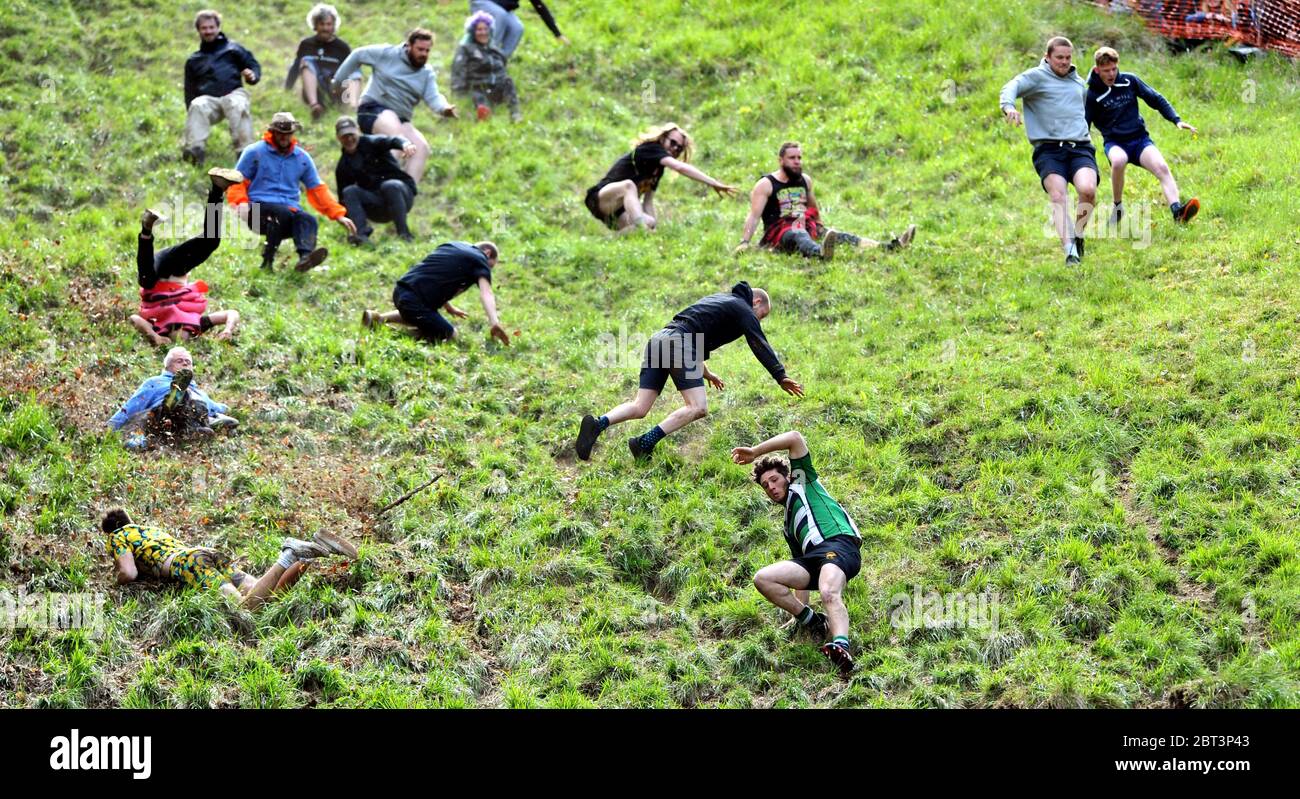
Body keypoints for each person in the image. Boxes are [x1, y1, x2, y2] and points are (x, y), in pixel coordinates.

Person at [575, 282, 803, 461]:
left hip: (660, 339)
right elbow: (757, 341)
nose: (757, 320)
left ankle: (598, 424)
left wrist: (707, 373)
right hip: (679, 343)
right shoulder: (742, 307)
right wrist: (779, 375)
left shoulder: (720, 300)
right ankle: (644, 443)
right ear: (756, 301)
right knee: (698, 407)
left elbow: (694, 335)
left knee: (640, 406)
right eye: (761, 315)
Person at [730, 431, 864, 676]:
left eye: (774, 480)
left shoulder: (803, 482)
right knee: (763, 578)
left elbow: (794, 438)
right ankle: (813, 621)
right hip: (812, 560)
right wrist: (799, 613)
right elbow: (799, 571)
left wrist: (755, 452)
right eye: (765, 485)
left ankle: (841, 645)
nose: (771, 487)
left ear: (787, 477)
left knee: (828, 592)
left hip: (837, 545)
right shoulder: (789, 524)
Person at [101, 508, 357, 610]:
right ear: (129, 519)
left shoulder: (118, 536)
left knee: (244, 609)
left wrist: (116, 580)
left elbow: (128, 572)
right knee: (268, 598)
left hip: (190, 564)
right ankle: (308, 554)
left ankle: (290, 553)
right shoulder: (148, 530)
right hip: (206, 554)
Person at [999, 36, 1097, 266]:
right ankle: (1070, 251)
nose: (1064, 62)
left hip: (1080, 147)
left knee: (1088, 191)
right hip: (1049, 150)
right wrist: (1008, 106)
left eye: (1067, 57)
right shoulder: (1036, 77)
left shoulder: (1078, 83)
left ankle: (1078, 235)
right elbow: (1011, 86)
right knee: (1058, 195)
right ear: (1047, 57)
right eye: (1059, 57)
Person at [734, 141, 916, 260]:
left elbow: (813, 206)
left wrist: (820, 227)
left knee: (844, 237)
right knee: (798, 233)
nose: (797, 161)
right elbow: (754, 216)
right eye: (792, 158)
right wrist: (744, 242)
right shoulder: (765, 184)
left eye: (799, 157)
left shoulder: (805, 180)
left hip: (805, 224)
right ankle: (820, 254)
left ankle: (892, 247)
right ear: (781, 160)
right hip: (780, 233)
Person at [227, 112, 357, 271]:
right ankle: (266, 262)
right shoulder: (255, 152)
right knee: (281, 214)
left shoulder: (302, 158)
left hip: (288, 212)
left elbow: (318, 190)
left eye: (288, 134)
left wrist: (338, 214)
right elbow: (236, 180)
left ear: (293, 134)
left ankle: (305, 258)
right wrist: (240, 204)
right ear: (272, 132)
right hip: (256, 211)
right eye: (280, 133)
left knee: (308, 219)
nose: (284, 138)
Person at [1086, 47, 1201, 226]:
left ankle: (1177, 211)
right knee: (1118, 161)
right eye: (1106, 70)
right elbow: (1085, 124)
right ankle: (1118, 208)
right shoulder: (1092, 95)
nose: (1111, 74)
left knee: (1162, 167)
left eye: (1114, 69)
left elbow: (1155, 98)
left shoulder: (1129, 81)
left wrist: (1176, 120)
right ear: (1097, 70)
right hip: (1115, 142)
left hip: (1139, 140)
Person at [130, 168, 244, 347]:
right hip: (176, 269)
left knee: (147, 280)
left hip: (155, 269)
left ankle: (146, 229)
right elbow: (232, 313)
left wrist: (154, 336)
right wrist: (227, 330)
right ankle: (217, 189)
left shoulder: (159, 327)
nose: (182, 338)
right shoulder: (197, 324)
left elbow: (134, 318)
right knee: (211, 241)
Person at [332, 28, 459, 183]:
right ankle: (378, 181)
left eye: (427, 50)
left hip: (400, 119)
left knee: (421, 148)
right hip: (372, 110)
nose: (424, 54)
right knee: (397, 135)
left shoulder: (426, 73)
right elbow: (358, 54)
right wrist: (338, 80)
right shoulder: (387, 54)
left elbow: (434, 97)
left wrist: (444, 108)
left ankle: (404, 193)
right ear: (408, 46)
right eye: (420, 49)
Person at [584, 124, 737, 233]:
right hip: (600, 199)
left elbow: (648, 201)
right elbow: (680, 167)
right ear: (663, 138)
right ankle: (641, 229)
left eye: (679, 148)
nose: (675, 148)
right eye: (673, 142)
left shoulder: (657, 170)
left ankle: (618, 238)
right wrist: (713, 183)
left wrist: (654, 227)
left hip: (617, 212)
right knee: (628, 186)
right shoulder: (651, 148)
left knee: (650, 223)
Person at [361, 241, 511, 346]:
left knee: (425, 314)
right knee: (451, 335)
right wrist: (494, 322)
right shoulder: (480, 259)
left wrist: (448, 307)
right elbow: (487, 293)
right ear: (487, 252)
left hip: (400, 292)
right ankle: (393, 336)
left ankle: (378, 318)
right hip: (414, 302)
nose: (487, 271)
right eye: (490, 267)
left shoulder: (452, 246)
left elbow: (435, 277)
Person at [107, 347, 238, 449]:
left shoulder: (200, 393)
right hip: (161, 418)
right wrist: (111, 427)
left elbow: (216, 408)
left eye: (188, 362)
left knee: (202, 408)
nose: (185, 364)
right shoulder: (155, 382)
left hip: (187, 422)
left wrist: (227, 410)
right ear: (168, 367)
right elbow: (133, 404)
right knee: (182, 398)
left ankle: (194, 432)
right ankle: (176, 396)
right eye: (179, 361)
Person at [183, 9, 261, 165]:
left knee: (236, 104)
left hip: (233, 93)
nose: (208, 31)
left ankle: (244, 153)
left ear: (218, 28)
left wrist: (252, 75)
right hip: (209, 100)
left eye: (211, 27)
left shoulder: (233, 49)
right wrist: (191, 111)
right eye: (204, 28)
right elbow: (189, 90)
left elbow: (252, 65)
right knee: (197, 105)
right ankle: (195, 151)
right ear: (198, 30)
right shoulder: (194, 60)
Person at [334, 116, 418, 243]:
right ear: (338, 138)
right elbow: (343, 201)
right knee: (349, 191)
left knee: (389, 186)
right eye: (344, 136)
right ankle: (361, 237)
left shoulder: (372, 142)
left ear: (358, 131)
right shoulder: (343, 166)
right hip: (376, 205)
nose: (349, 139)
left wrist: (405, 144)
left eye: (351, 134)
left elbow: (392, 140)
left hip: (401, 195)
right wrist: (345, 222)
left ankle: (404, 235)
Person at [285, 3, 363, 120]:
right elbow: (296, 67)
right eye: (322, 24)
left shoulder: (342, 47)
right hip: (315, 89)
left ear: (333, 26)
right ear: (315, 25)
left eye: (328, 24)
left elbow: (352, 73)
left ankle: (352, 108)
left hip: (336, 88)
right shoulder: (306, 44)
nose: (325, 28)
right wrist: (287, 89)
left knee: (354, 71)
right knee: (306, 62)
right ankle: (315, 107)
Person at [451, 12, 521, 122]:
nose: (483, 32)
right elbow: (458, 71)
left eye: (485, 29)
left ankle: (515, 114)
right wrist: (459, 93)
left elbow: (503, 66)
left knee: (508, 82)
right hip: (479, 87)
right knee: (478, 96)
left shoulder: (495, 50)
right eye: (479, 29)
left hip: (497, 88)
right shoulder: (466, 49)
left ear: (490, 30)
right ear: (473, 32)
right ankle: (483, 114)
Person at [467, 0, 570, 59]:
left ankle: (498, 63)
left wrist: (557, 34)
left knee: (517, 28)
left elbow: (539, 6)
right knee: (500, 15)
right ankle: (481, 57)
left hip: (502, 8)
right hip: (482, 2)